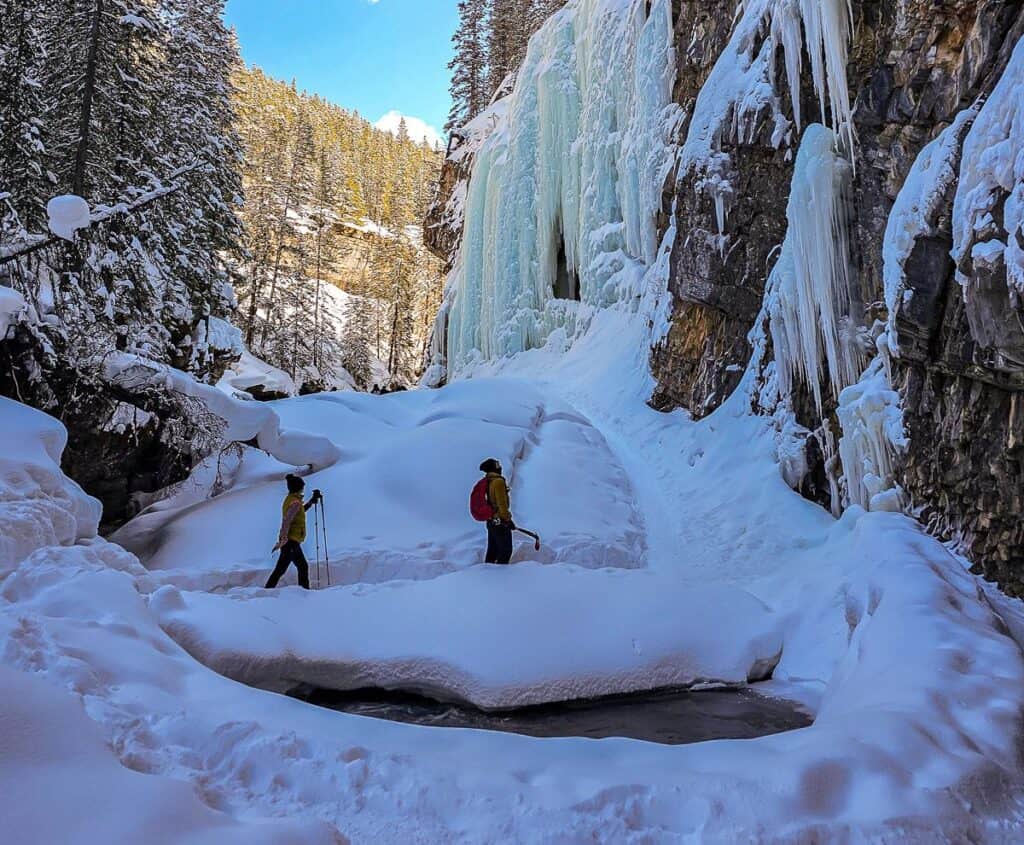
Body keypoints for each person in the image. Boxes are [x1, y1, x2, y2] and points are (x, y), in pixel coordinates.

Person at [265, 474, 321, 589]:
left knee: (297, 567)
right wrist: (284, 538)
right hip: (290, 541)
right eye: (302, 487)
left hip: (292, 541)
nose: (303, 489)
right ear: (298, 487)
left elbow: (299, 512)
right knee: (287, 569)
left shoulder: (292, 500)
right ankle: (303, 592)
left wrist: (311, 502)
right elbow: (287, 520)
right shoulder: (295, 502)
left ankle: (303, 591)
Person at [479, 458, 514, 564]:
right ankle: (500, 575)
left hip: (492, 521)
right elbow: (501, 504)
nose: (500, 467)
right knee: (506, 550)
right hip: (500, 522)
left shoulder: (490, 481)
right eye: (497, 465)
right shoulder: (498, 482)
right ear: (493, 468)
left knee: (493, 550)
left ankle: (487, 572)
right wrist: (507, 520)